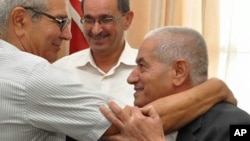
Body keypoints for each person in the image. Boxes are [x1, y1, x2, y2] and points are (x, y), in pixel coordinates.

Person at [0, 0, 237, 141]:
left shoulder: (233, 122)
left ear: (178, 71)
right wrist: (216, 88)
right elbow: (131, 123)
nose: (69, 34)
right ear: (20, 20)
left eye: (142, 66)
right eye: (61, 21)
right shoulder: (36, 75)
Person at [100, 26, 250, 141]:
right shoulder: (136, 123)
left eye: (143, 66)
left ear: (179, 71)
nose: (131, 78)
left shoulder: (236, 125)